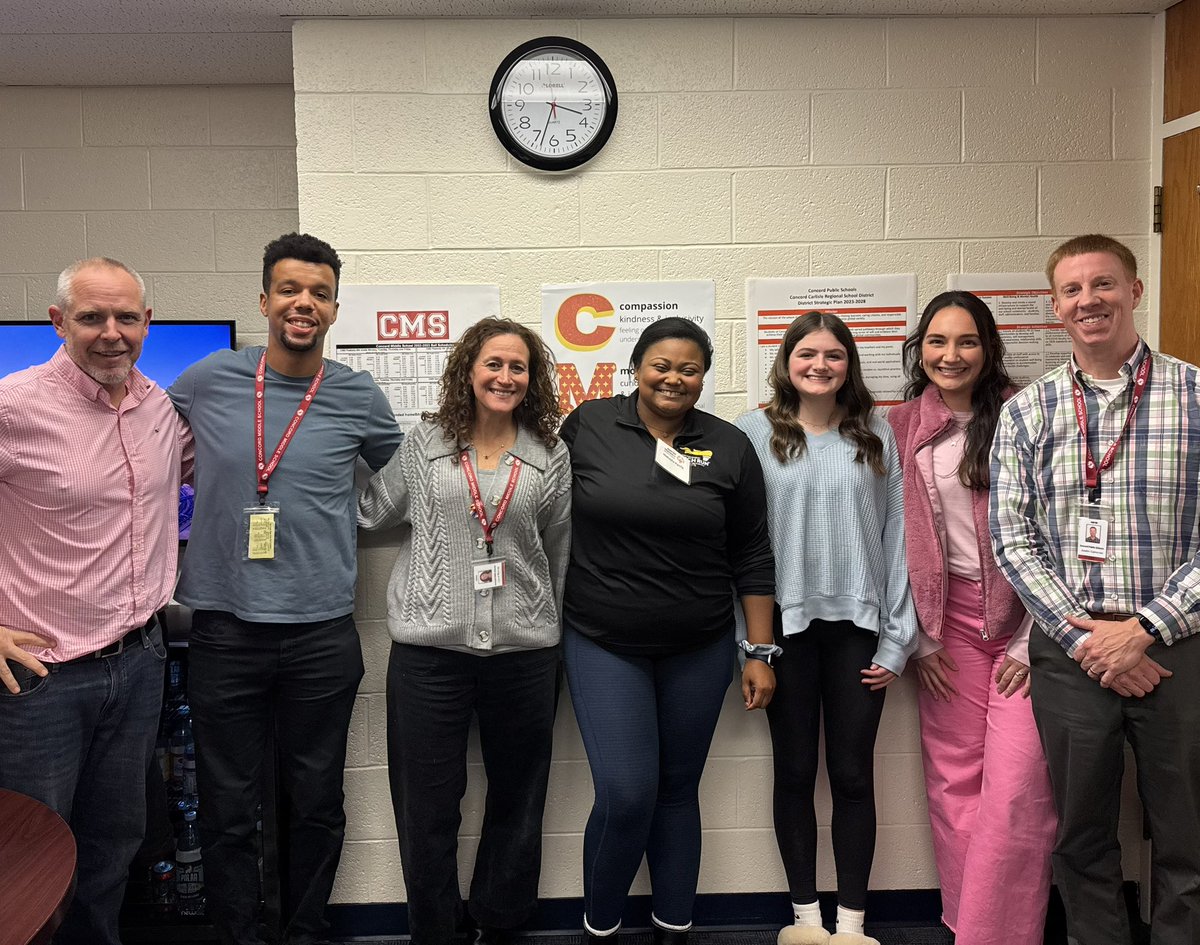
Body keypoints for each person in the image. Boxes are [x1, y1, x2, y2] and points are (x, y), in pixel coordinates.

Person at [169, 233, 402, 945]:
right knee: (227, 805)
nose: (305, 303)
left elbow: (405, 482)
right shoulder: (209, 379)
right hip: (224, 629)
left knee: (317, 802)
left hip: (320, 633)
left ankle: (304, 930)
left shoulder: (358, 394)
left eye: (321, 293)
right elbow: (140, 445)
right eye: (291, 290)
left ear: (334, 308)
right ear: (265, 299)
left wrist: (348, 518)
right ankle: (240, 932)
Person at [990, 234, 1200, 945]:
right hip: (1071, 655)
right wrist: (1089, 638)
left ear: (1135, 290)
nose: (1090, 301)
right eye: (1074, 291)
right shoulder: (1028, 411)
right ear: (1056, 308)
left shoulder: (1196, 394)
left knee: (1187, 833)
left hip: (1178, 647)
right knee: (1081, 834)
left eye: (1104, 284)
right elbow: (1013, 541)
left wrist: (1145, 627)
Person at [560, 317, 776, 945]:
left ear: (703, 377)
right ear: (636, 367)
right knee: (629, 794)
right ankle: (598, 927)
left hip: (700, 646)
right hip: (603, 640)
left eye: (689, 368)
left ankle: (673, 927)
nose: (674, 378)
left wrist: (759, 651)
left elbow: (753, 553)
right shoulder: (591, 425)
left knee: (678, 791)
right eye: (661, 364)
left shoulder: (729, 444)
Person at [358, 318, 571, 945]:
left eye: (518, 367)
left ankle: (500, 923)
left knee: (519, 800)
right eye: (493, 364)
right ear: (468, 371)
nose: (505, 377)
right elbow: (375, 510)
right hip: (429, 654)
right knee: (425, 808)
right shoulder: (426, 444)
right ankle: (436, 930)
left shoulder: (548, 454)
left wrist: (546, 623)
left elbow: (558, 550)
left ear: (531, 381)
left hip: (525, 655)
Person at [0, 257, 192, 945]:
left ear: (147, 322)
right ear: (58, 323)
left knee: (115, 842)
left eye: (126, 317)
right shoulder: (12, 404)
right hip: (40, 676)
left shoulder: (160, 408)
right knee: (29, 855)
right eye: (91, 317)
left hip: (139, 659)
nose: (111, 333)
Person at [736, 312, 917, 945]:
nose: (820, 365)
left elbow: (901, 541)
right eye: (806, 353)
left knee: (851, 773)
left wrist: (899, 640)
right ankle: (806, 920)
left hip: (860, 632)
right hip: (783, 631)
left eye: (834, 355)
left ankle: (854, 925)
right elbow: (742, 545)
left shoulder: (878, 435)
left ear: (850, 364)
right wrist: (751, 643)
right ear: (786, 361)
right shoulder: (754, 433)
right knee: (792, 771)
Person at [888, 291, 1055, 945]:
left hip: (1027, 626)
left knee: (1017, 791)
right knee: (954, 785)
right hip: (944, 628)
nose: (950, 355)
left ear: (988, 350)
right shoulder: (901, 424)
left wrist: (1029, 639)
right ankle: (967, 922)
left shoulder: (1027, 415)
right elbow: (886, 534)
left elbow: (1058, 533)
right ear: (919, 349)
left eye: (966, 342)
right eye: (937, 341)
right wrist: (921, 638)